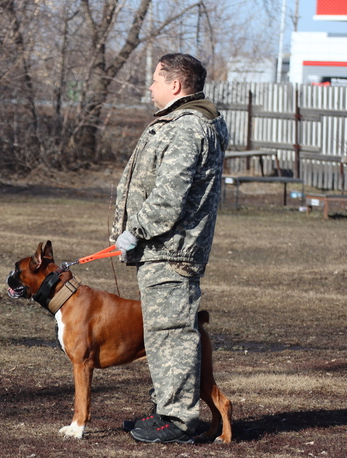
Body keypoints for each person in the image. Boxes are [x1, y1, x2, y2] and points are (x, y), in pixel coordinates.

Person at [111, 53, 229, 444]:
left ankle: (178, 420)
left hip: (172, 250)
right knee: (161, 334)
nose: (150, 87)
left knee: (171, 334)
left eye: (156, 79)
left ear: (175, 84)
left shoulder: (188, 126)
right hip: (163, 248)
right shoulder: (183, 122)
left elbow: (169, 196)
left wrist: (135, 230)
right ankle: (165, 409)